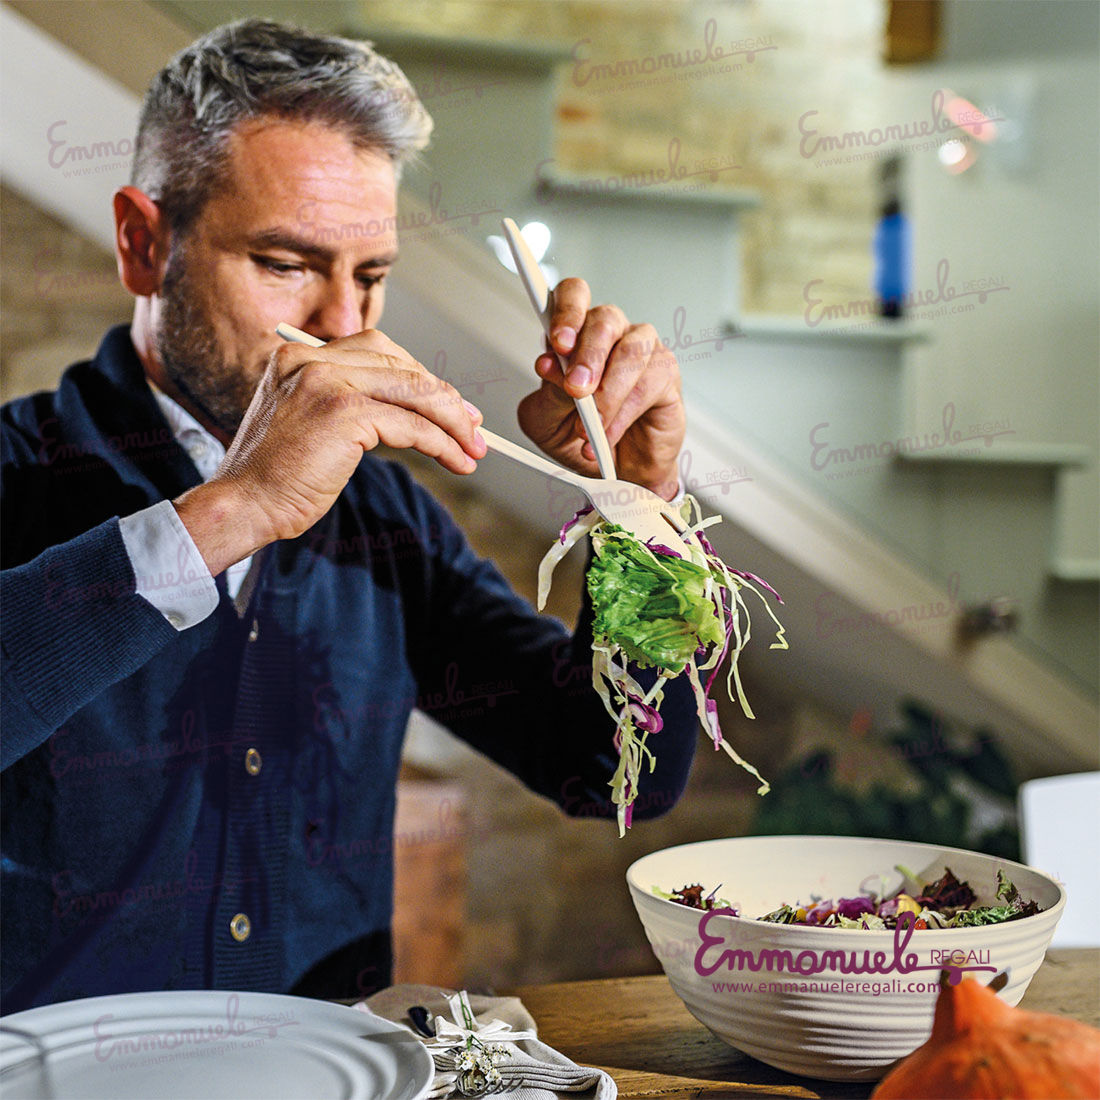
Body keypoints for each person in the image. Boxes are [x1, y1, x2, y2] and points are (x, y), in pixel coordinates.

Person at [0, 19, 697, 1011]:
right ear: (143, 243)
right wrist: (232, 510)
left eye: (370, 276)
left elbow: (613, 769)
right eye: (286, 263)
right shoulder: (15, 473)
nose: (343, 326)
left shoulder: (384, 516)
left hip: (335, 1072)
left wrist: (644, 505)